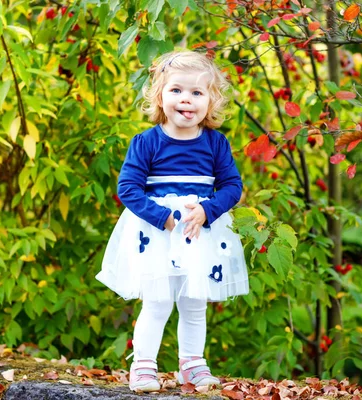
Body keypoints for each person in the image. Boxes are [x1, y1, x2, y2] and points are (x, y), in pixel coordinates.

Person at [96, 50, 249, 392]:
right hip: (157, 235)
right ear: (160, 95)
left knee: (195, 302)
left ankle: (192, 364)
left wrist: (208, 210)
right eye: (177, 90)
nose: (186, 99)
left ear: (211, 101)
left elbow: (232, 187)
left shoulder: (215, 144)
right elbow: (128, 188)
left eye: (197, 93)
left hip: (198, 234)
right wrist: (161, 216)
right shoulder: (147, 143)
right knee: (159, 301)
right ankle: (143, 366)